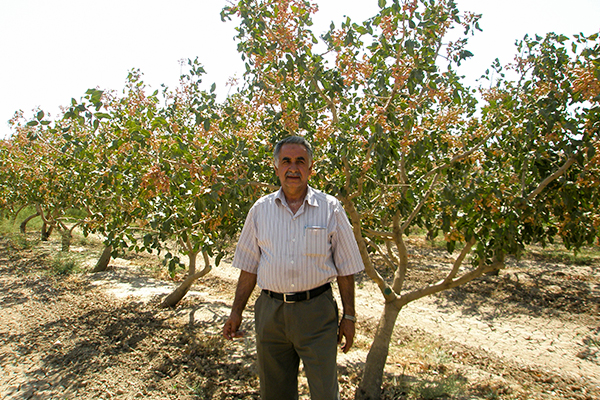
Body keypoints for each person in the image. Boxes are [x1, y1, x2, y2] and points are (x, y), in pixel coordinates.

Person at [222, 136, 364, 400]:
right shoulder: (260, 210)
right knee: (275, 392)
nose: (293, 168)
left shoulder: (330, 208)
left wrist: (350, 316)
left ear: (311, 168)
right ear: (276, 167)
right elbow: (249, 266)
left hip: (317, 313)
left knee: (325, 393)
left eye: (300, 161)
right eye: (286, 161)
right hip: (271, 315)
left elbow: (346, 267)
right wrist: (236, 311)